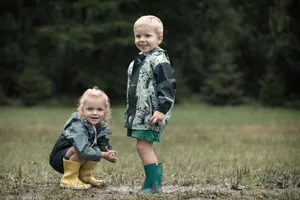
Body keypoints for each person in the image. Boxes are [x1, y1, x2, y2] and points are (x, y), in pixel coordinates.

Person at [125, 15, 176, 194]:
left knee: (143, 146)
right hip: (140, 113)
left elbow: (168, 86)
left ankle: (154, 186)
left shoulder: (159, 61)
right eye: (138, 36)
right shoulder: (139, 60)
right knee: (143, 146)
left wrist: (162, 110)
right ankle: (150, 184)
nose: (142, 40)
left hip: (152, 113)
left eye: (147, 36)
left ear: (159, 38)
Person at [49, 86, 117, 189]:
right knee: (80, 149)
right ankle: (69, 179)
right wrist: (103, 155)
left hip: (74, 158)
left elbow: (103, 144)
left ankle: (85, 176)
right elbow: (83, 149)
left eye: (99, 109)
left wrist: (109, 153)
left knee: (95, 148)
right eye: (90, 109)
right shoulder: (77, 125)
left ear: (105, 112)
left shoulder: (99, 126)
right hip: (59, 160)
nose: (95, 113)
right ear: (82, 110)